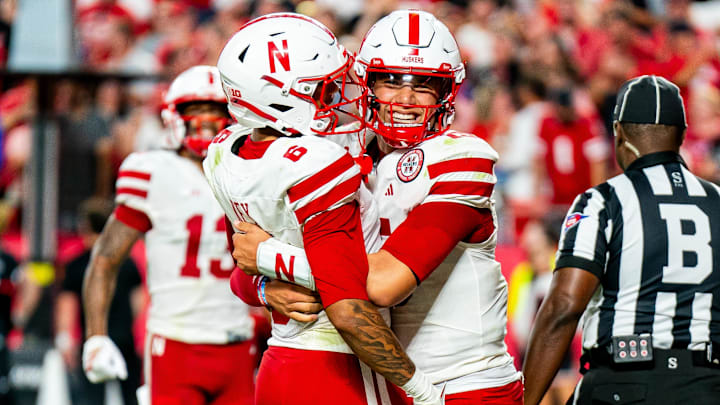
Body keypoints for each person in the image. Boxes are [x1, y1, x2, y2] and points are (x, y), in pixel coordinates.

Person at [229, 10, 524, 404]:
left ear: (446, 93)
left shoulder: (462, 158)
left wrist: (270, 257)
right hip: (383, 383)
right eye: (390, 80)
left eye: (424, 85)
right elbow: (240, 273)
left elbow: (381, 286)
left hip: (464, 385)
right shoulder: (334, 155)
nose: (405, 98)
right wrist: (265, 287)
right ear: (366, 82)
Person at [204, 12, 441, 405]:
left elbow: (248, 258)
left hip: (283, 363)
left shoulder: (229, 152)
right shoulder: (317, 162)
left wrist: (266, 267)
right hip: (341, 365)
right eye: (325, 90)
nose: (341, 98)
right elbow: (346, 302)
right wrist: (421, 392)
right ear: (282, 97)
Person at [523, 75, 720, 405]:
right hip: (707, 385)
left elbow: (564, 306)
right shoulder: (716, 200)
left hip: (623, 382)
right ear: (683, 135)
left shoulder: (602, 201)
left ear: (618, 133)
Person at [82, 65, 257, 405]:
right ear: (173, 116)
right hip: (177, 342)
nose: (206, 120)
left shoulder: (249, 171)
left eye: (215, 110)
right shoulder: (152, 171)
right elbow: (105, 257)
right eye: (196, 110)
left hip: (238, 338)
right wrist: (95, 337)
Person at [56, 198, 143, 405]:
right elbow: (139, 304)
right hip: (125, 340)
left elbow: (67, 306)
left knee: (91, 399)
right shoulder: (127, 263)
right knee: (130, 398)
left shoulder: (76, 265)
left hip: (94, 337)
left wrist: (65, 339)